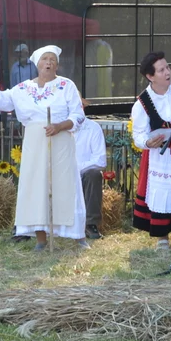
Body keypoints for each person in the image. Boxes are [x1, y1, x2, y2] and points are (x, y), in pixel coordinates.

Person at [0, 45, 89, 249]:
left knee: (65, 184)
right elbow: (3, 100)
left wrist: (59, 126)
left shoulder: (67, 85)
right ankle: (40, 238)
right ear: (37, 64)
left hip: (61, 140)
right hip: (34, 143)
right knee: (35, 187)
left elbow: (78, 115)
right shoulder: (23, 89)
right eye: (45, 59)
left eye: (52, 59)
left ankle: (77, 235)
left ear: (57, 64)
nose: (49, 62)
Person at [130, 51, 171, 249]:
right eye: (161, 70)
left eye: (167, 67)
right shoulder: (142, 102)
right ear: (150, 76)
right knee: (164, 192)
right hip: (163, 156)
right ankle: (162, 238)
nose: (167, 72)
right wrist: (147, 143)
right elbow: (139, 135)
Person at [75, 99, 106, 240]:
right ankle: (28, 225)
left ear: (82, 107)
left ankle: (90, 223)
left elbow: (100, 160)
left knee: (94, 174)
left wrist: (76, 169)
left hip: (83, 175)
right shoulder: (56, 128)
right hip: (59, 175)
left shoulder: (93, 128)